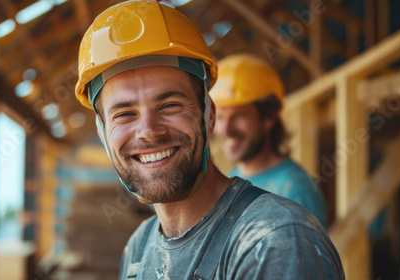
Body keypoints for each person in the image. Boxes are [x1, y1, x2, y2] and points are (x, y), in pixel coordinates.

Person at [74, 1, 344, 279]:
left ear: (208, 116)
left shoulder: (274, 241)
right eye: (124, 114)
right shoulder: (138, 250)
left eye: (169, 105)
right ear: (103, 134)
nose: (148, 131)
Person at [210, 54, 328, 229]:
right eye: (219, 117)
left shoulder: (295, 189)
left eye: (239, 116)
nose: (226, 130)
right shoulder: (229, 181)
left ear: (269, 117)